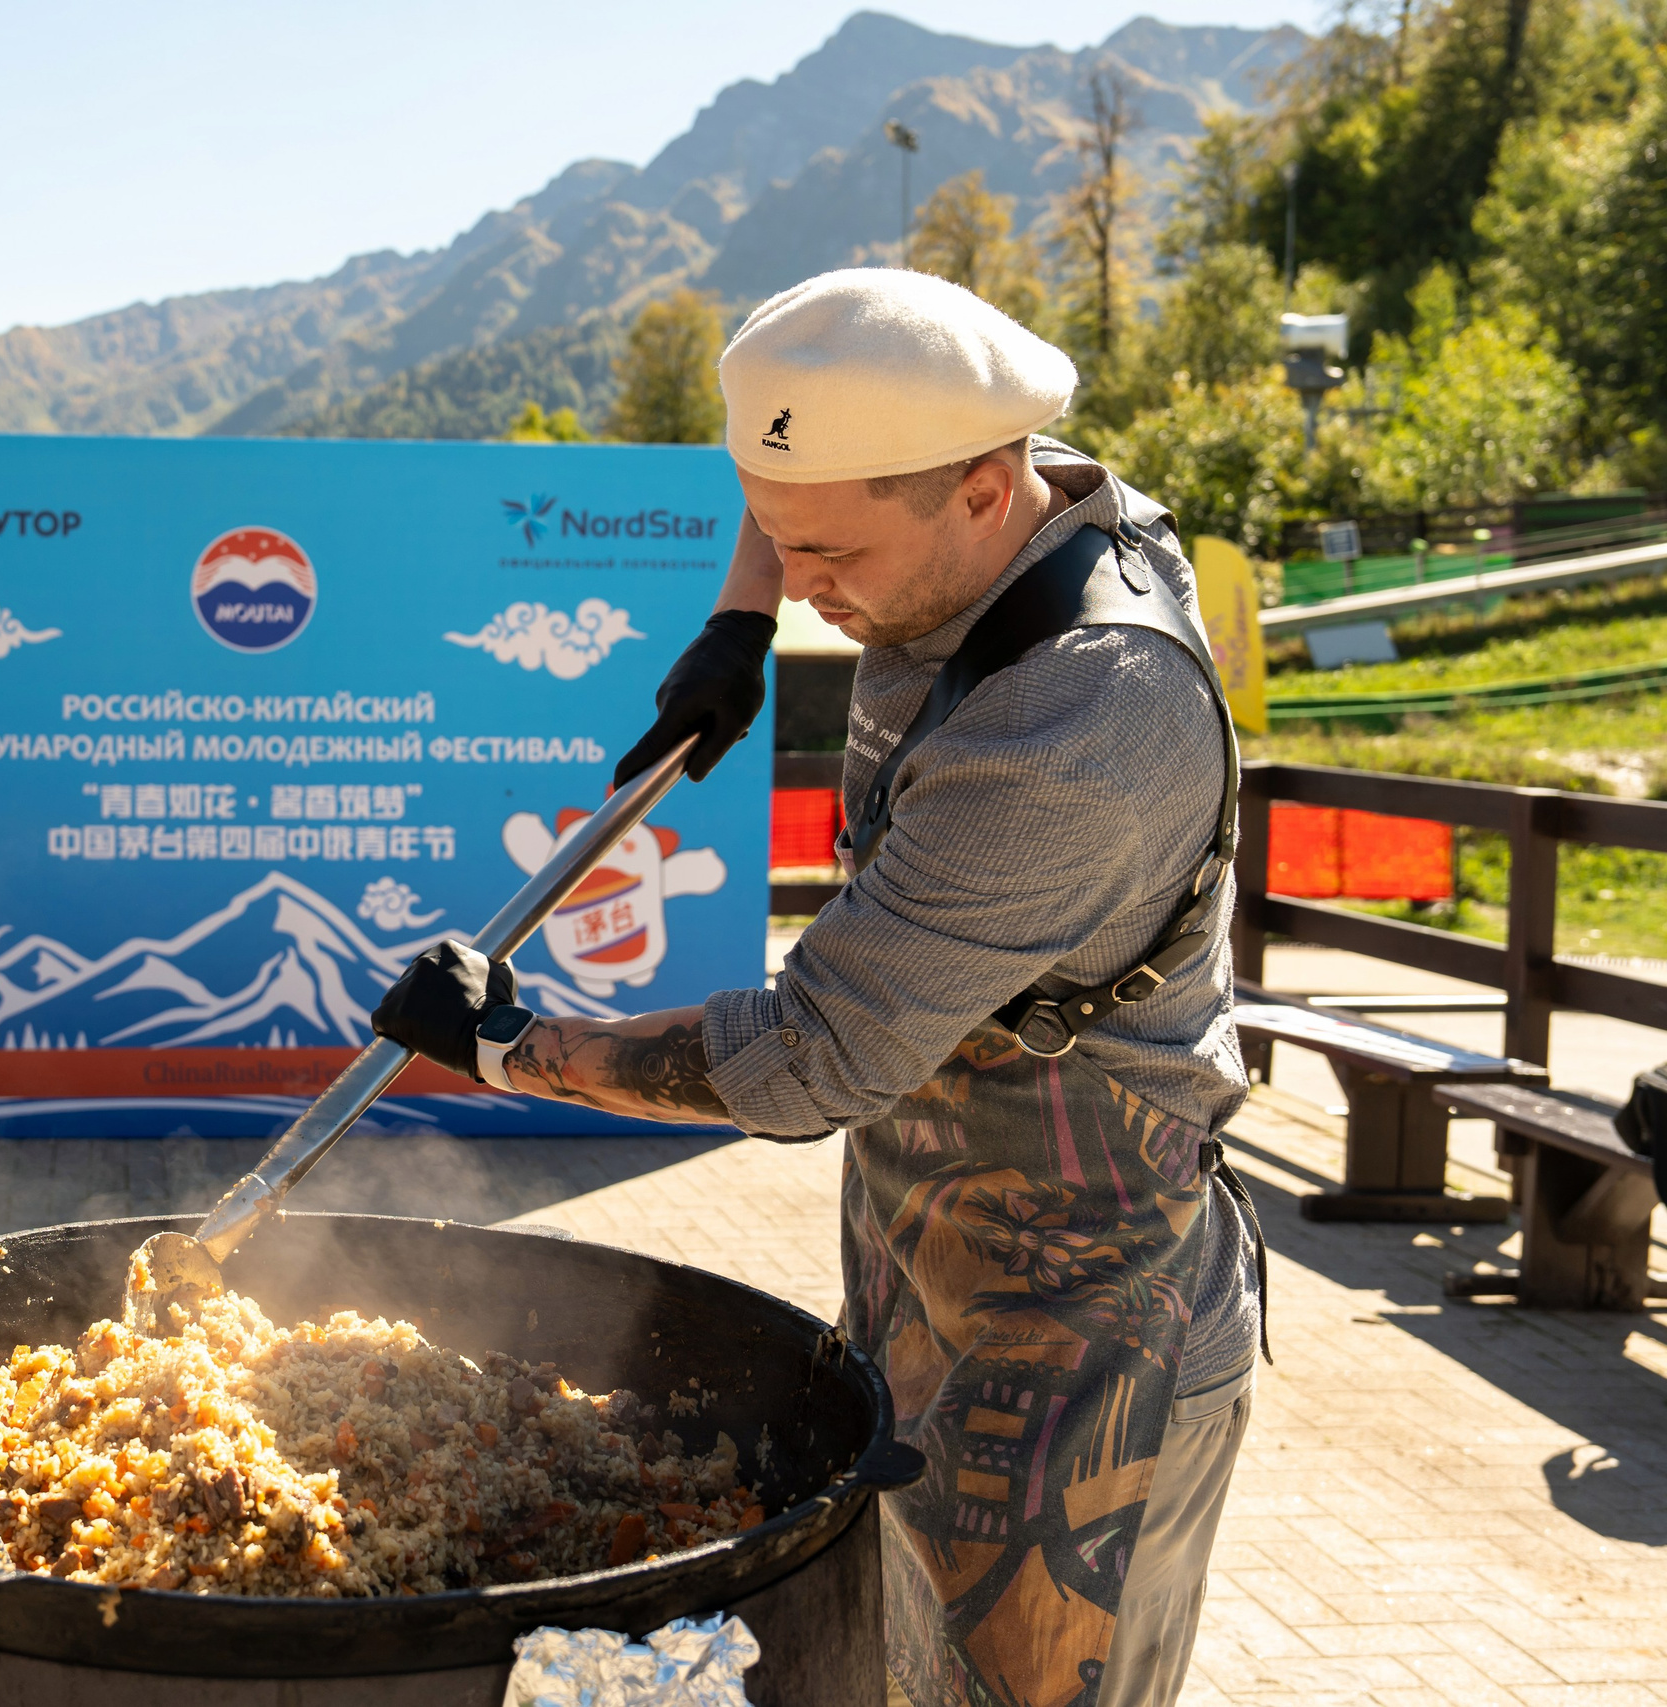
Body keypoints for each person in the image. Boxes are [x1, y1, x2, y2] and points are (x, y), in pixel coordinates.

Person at [373, 270, 1264, 1707]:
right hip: (923, 1272)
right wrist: (741, 612)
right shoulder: (986, 480)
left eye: (831, 555)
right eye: (789, 543)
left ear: (984, 487)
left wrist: (511, 1048)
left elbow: (811, 1058)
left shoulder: (1078, 714)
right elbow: (808, 468)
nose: (813, 590)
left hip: (1093, 1353)